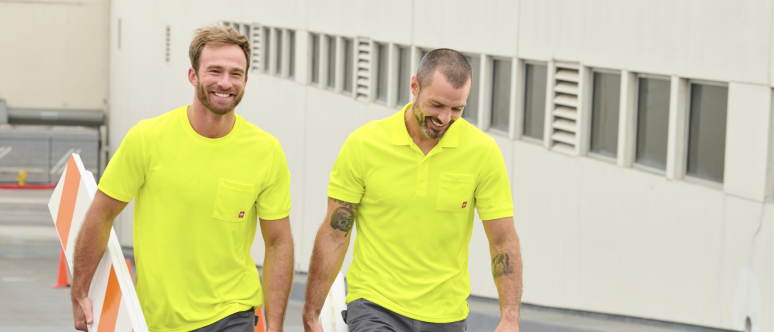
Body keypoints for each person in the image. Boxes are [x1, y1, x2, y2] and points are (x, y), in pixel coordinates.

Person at [70, 24, 294, 332]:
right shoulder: (147, 139)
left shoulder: (266, 151)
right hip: (158, 319)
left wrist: (276, 325)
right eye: (214, 71)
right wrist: (80, 291)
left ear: (245, 80)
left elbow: (278, 241)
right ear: (193, 76)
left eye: (236, 73)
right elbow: (101, 213)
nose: (225, 82)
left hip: (233, 315)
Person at [302, 48, 522, 332]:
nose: (445, 118)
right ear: (415, 86)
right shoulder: (365, 145)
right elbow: (335, 234)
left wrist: (510, 317)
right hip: (375, 306)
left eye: (457, 109)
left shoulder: (483, 153)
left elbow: (503, 241)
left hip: (446, 315)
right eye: (437, 105)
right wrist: (311, 314)